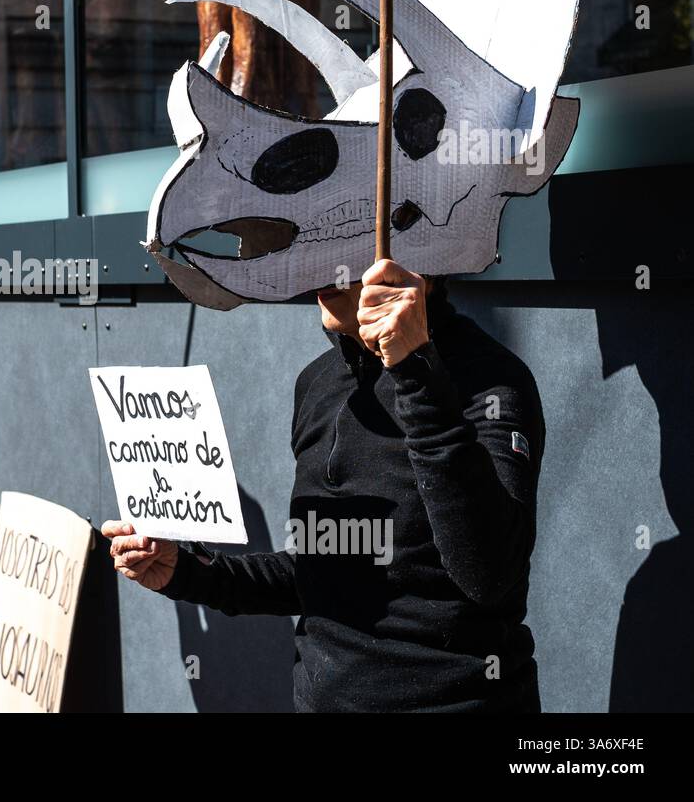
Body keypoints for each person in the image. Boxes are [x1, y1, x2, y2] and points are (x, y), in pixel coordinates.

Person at [103, 266, 546, 712]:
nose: (324, 267)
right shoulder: (318, 383)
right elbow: (321, 572)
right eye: (316, 246)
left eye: (349, 247)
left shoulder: (491, 381)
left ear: (418, 267)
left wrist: (416, 371)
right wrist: (188, 572)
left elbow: (490, 576)